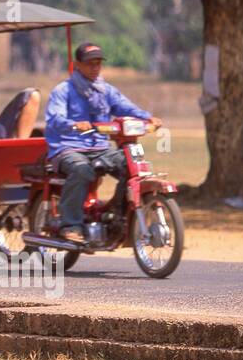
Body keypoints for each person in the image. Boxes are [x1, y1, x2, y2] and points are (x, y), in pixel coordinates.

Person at [44, 42, 159, 244]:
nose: (95, 67)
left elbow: (125, 107)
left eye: (98, 63)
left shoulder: (105, 90)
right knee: (82, 170)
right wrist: (73, 124)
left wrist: (148, 118)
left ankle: (117, 215)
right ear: (77, 65)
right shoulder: (63, 90)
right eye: (90, 63)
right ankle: (70, 225)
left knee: (132, 167)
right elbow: (55, 119)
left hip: (100, 148)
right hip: (68, 148)